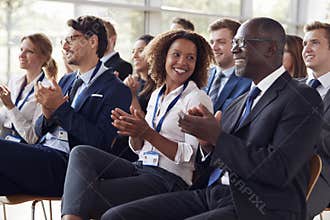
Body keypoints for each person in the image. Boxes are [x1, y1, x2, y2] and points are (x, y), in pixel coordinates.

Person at [101, 17, 323, 220]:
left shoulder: (301, 97)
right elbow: (218, 158)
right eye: (233, 43)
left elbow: (278, 170)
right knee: (116, 216)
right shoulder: (238, 103)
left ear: (270, 48)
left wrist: (217, 137)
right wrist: (207, 145)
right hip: (213, 194)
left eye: (241, 43)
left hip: (259, 207)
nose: (234, 50)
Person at [61, 30, 214, 220]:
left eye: (190, 58)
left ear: (197, 64)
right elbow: (139, 149)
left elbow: (190, 156)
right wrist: (134, 131)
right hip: (141, 168)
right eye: (176, 55)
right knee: (81, 154)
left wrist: (147, 132)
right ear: (163, 56)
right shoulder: (157, 94)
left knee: (82, 196)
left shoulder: (196, 97)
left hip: (169, 179)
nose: (182, 62)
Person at [0, 15, 131, 197]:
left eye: (71, 39)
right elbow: (38, 132)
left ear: (92, 41)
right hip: (42, 153)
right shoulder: (67, 79)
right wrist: (47, 112)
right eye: (64, 40)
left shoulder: (116, 89)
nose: (64, 46)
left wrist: (60, 108)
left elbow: (100, 145)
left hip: (69, 166)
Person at [0, 33, 57, 144]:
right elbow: (5, 117)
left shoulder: (46, 89)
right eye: (21, 49)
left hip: (24, 147)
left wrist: (10, 106)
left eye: (29, 51)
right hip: (5, 141)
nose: (21, 55)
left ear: (44, 57)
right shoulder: (15, 81)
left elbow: (32, 137)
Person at [111, 34, 156, 161]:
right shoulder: (132, 81)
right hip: (120, 138)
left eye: (141, 51)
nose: (134, 56)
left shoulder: (158, 87)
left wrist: (132, 95)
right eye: (133, 52)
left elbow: (139, 121)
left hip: (138, 147)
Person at [303, 21, 330, 220]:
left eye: (314, 43)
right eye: (304, 44)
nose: (306, 49)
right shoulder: (290, 88)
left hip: (322, 173)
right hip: (278, 169)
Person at [205, 18, 251, 112]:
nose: (214, 47)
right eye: (212, 42)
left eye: (221, 42)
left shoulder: (249, 81)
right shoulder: (202, 76)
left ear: (237, 45)